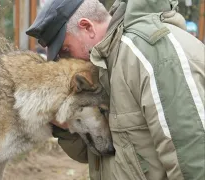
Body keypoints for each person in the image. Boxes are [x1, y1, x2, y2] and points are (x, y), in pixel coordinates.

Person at [26, 0, 205, 180]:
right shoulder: (108, 64)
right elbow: (105, 153)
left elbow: (191, 159)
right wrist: (65, 124)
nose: (66, 61)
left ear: (87, 27)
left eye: (66, 51)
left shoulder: (151, 54)